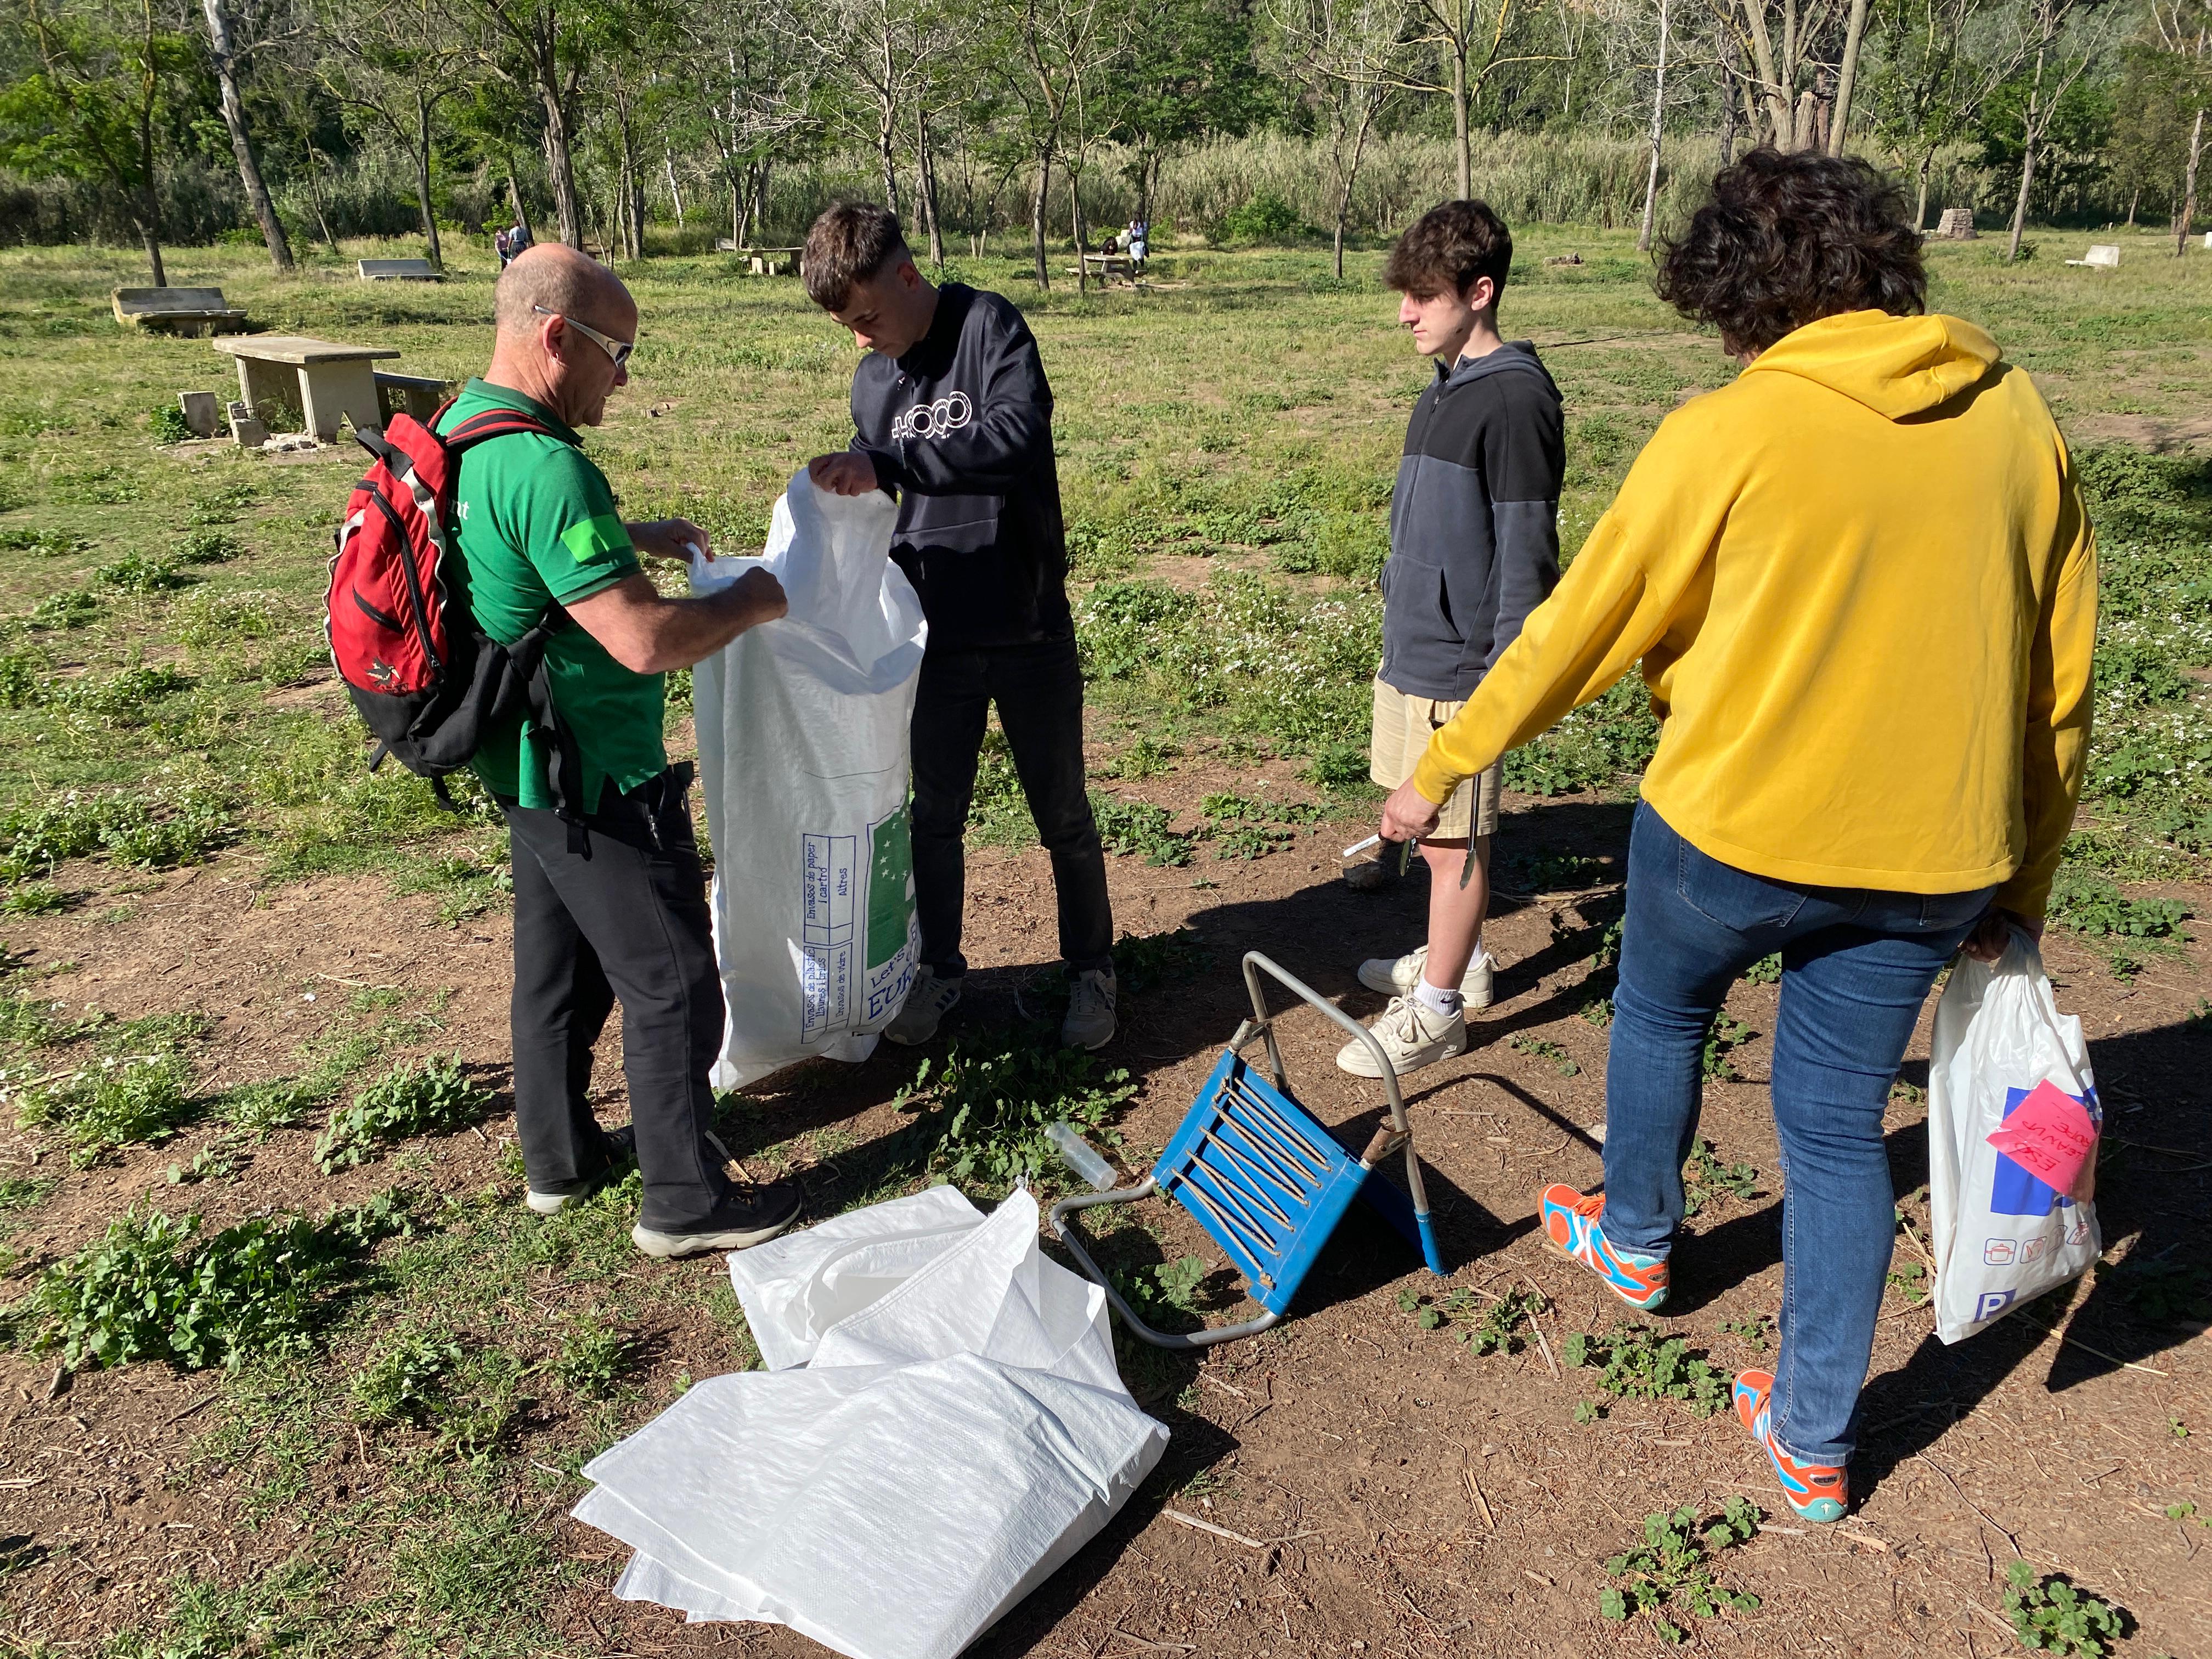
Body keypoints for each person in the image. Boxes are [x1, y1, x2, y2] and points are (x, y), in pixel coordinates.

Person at [1379, 150, 2096, 1521]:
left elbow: (1575, 628)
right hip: (1936, 860)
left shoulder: (1729, 429)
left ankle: (1640, 1245)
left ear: (1738, 294)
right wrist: (2027, 883)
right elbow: (2060, 696)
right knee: (1833, 1131)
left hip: (1727, 831)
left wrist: (1445, 765)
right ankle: (1816, 1444)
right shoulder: (2020, 423)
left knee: (1659, 1019)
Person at [444, 243, 802, 1259]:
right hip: (594, 766)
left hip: (518, 765)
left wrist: (624, 529)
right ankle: (683, 1200)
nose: (625, 376)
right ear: (557, 336)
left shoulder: (465, 429)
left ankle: (558, 1164)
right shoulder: (550, 464)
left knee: (556, 973)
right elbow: (645, 641)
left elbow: (513, 545)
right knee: (672, 979)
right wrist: (753, 598)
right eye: (617, 352)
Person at [800, 202, 1118, 1052]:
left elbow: (1015, 438)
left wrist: (893, 461)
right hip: (932, 643)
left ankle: (1092, 968)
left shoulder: (989, 327)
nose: (861, 339)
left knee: (1063, 814)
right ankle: (938, 971)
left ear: (907, 275)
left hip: (1025, 625)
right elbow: (882, 496)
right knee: (932, 818)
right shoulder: (874, 382)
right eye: (847, 327)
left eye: (867, 316)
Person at [1338, 199, 1562, 1081]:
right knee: (1426, 832)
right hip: (1416, 649)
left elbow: (1526, 565)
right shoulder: (1449, 386)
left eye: (1423, 298)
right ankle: (1457, 962)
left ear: (1480, 292)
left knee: (1452, 839)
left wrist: (1498, 689)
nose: (1405, 313)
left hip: (1465, 670)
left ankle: (1437, 1012)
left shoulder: (1512, 400)